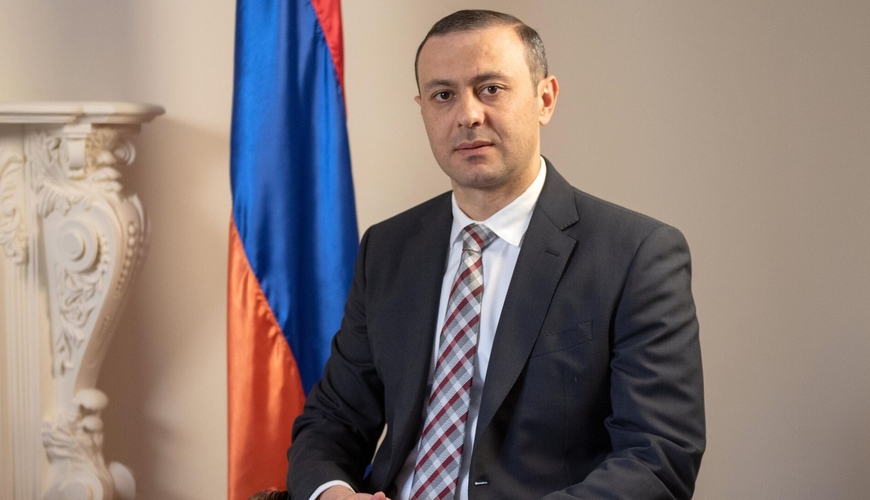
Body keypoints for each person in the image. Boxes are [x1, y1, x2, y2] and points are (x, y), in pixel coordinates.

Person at [286, 9, 704, 500]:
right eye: (443, 95)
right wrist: (332, 494)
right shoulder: (388, 248)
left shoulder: (637, 255)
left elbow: (657, 458)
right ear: (423, 109)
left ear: (545, 99)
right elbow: (332, 420)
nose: (467, 115)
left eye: (490, 89)